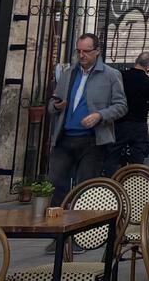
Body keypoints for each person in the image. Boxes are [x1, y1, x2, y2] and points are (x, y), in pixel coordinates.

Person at [48, 32, 126, 193]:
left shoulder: (110, 75)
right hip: (64, 138)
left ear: (97, 51)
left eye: (86, 51)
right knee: (55, 184)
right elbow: (52, 102)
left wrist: (100, 115)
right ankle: (57, 209)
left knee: (86, 188)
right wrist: (56, 106)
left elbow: (121, 106)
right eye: (79, 51)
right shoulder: (69, 73)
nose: (82, 55)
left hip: (92, 140)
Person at [116, 51, 149, 167]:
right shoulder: (148, 82)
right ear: (148, 66)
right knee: (137, 156)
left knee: (115, 155)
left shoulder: (121, 76)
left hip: (119, 123)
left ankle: (115, 177)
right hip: (138, 125)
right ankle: (134, 177)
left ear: (136, 61)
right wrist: (142, 106)